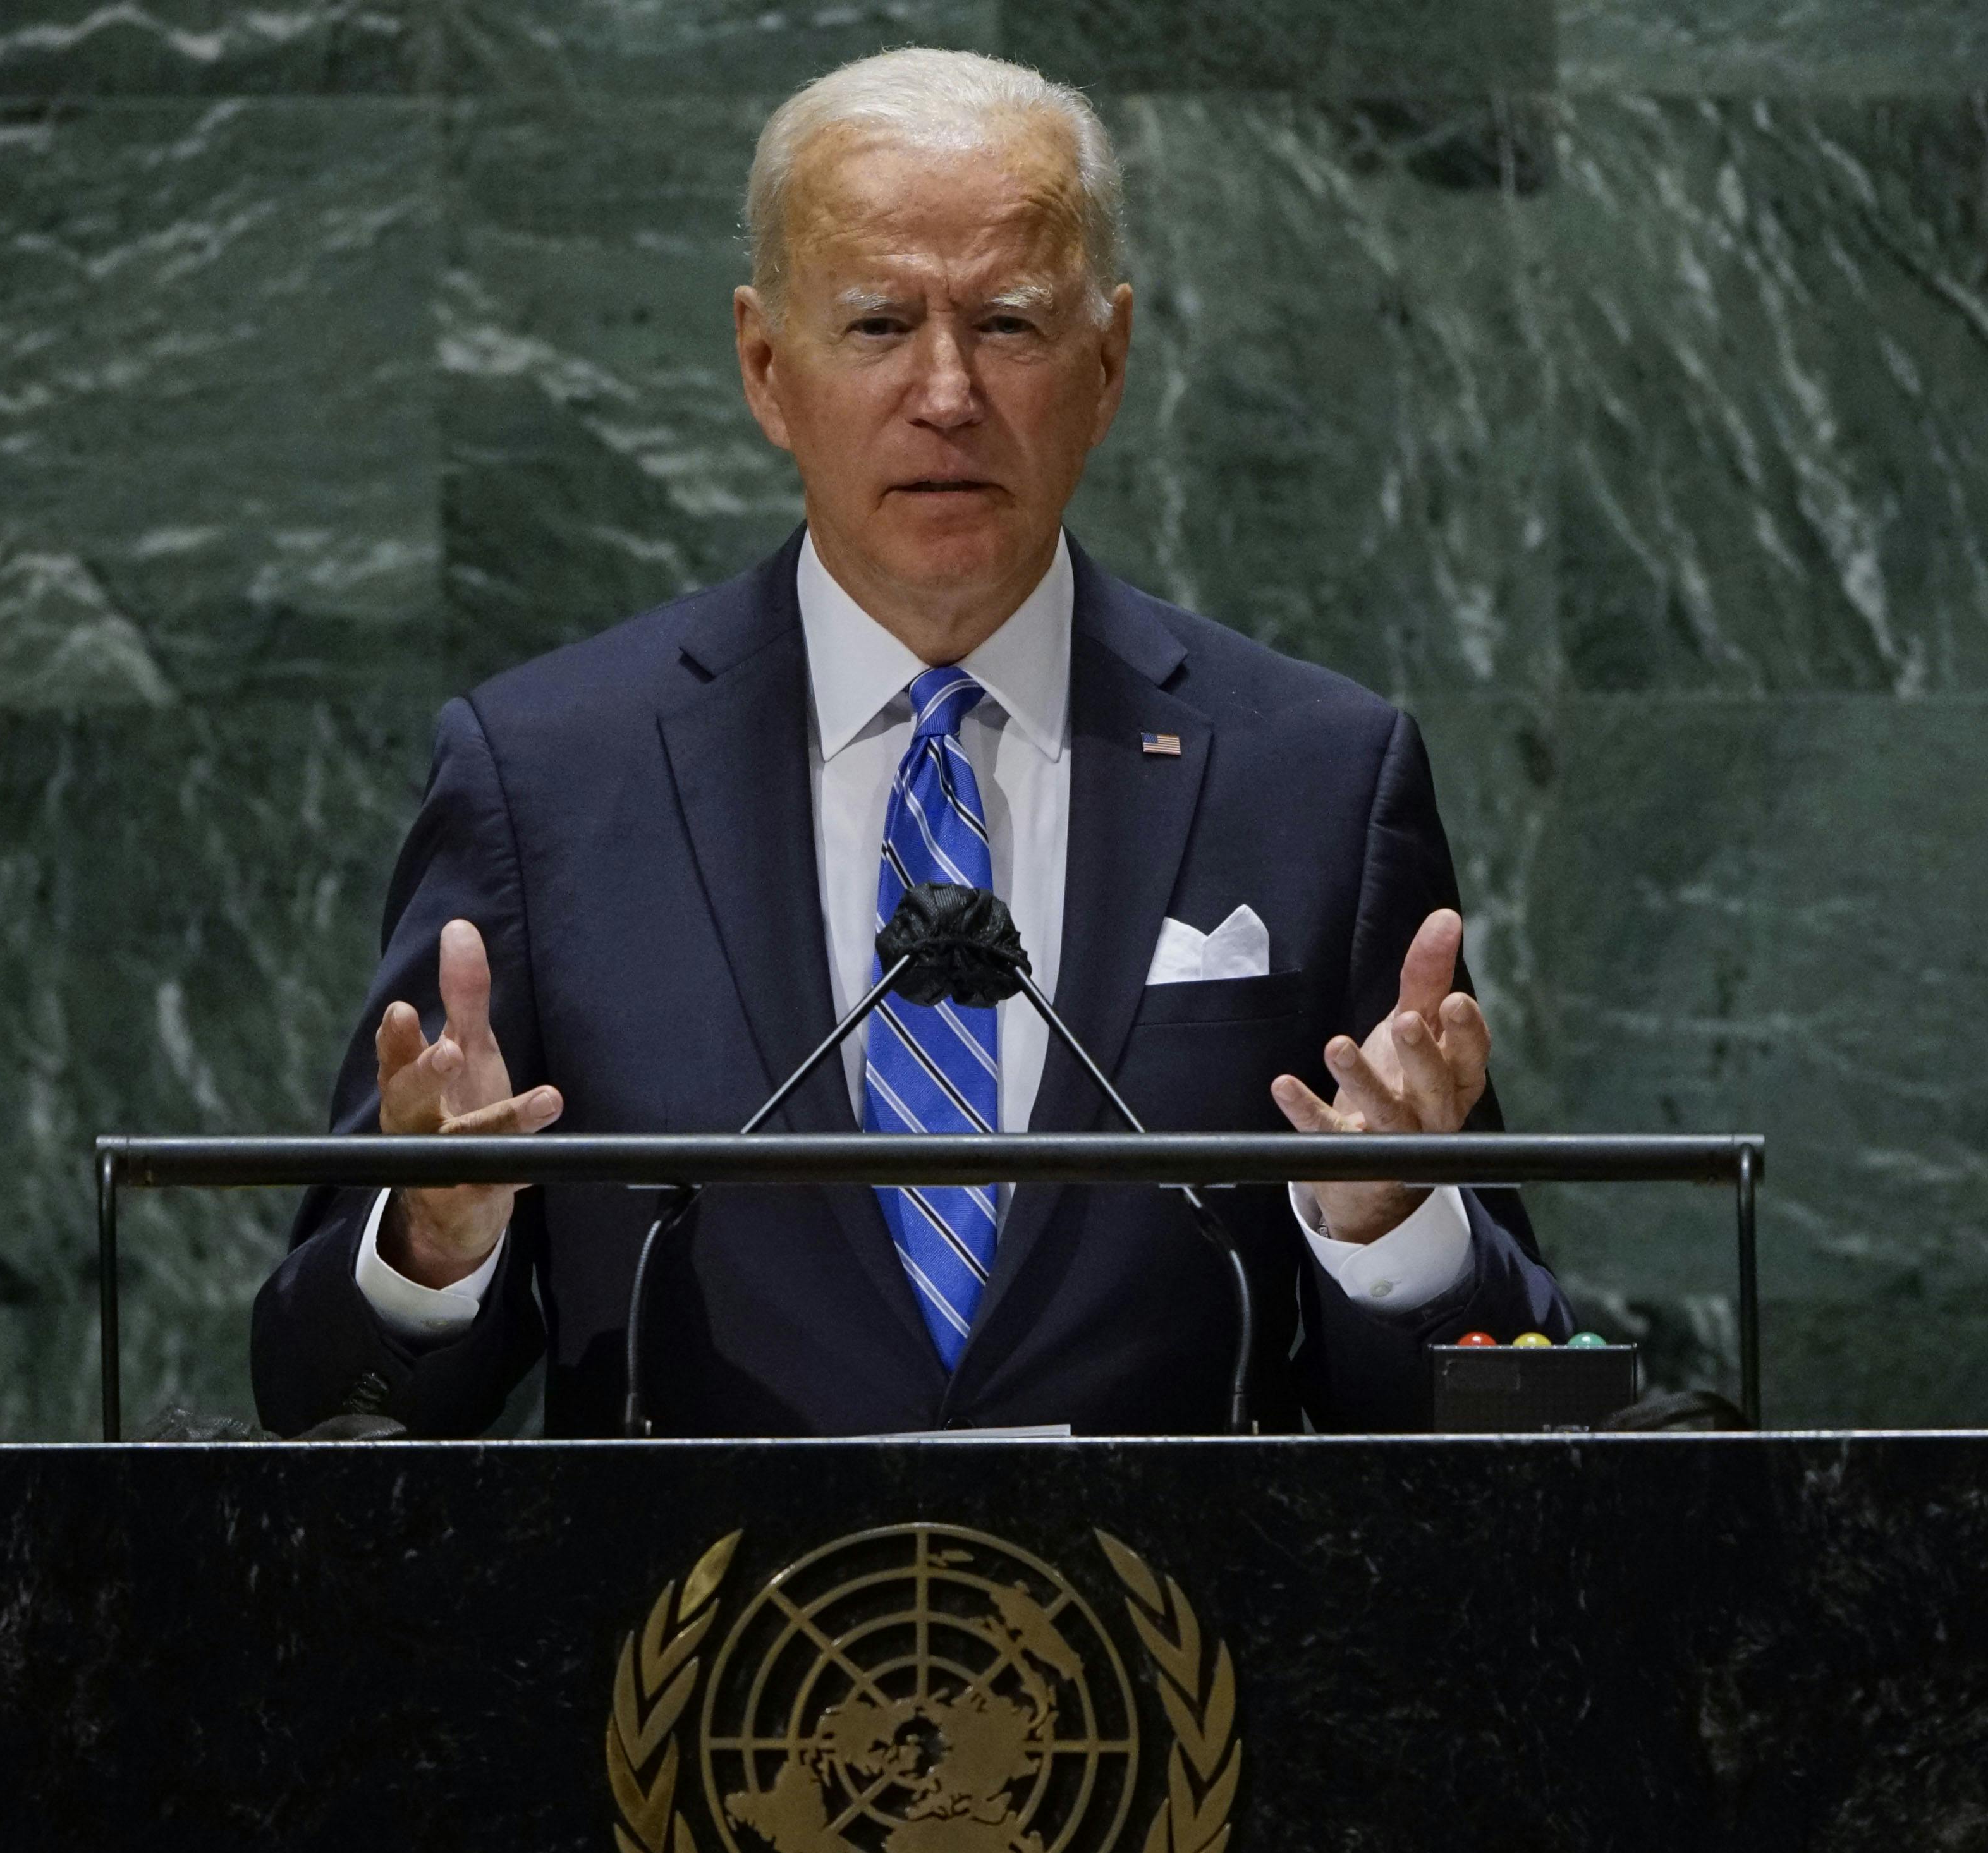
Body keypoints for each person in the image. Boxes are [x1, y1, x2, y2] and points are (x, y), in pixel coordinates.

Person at [250, 48, 1570, 1437]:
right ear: (767, 368)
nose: (946, 393)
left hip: (1176, 1640)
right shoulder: (549, 779)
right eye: (878, 325)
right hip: (699, 1640)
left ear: (1108, 361)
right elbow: (318, 1406)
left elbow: (1517, 1387)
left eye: (1007, 324)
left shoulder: (1314, 776)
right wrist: (432, 1246)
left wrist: (1394, 1224)